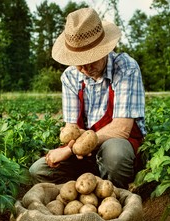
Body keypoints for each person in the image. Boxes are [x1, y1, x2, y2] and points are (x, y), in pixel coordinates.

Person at [29, 7, 146, 189]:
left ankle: (115, 193)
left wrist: (71, 149)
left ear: (105, 50)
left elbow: (121, 129)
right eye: (78, 62)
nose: (84, 69)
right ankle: (84, 189)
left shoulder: (125, 68)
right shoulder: (70, 77)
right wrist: (74, 148)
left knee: (115, 154)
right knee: (40, 170)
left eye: (90, 60)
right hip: (84, 153)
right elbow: (71, 128)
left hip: (117, 145)